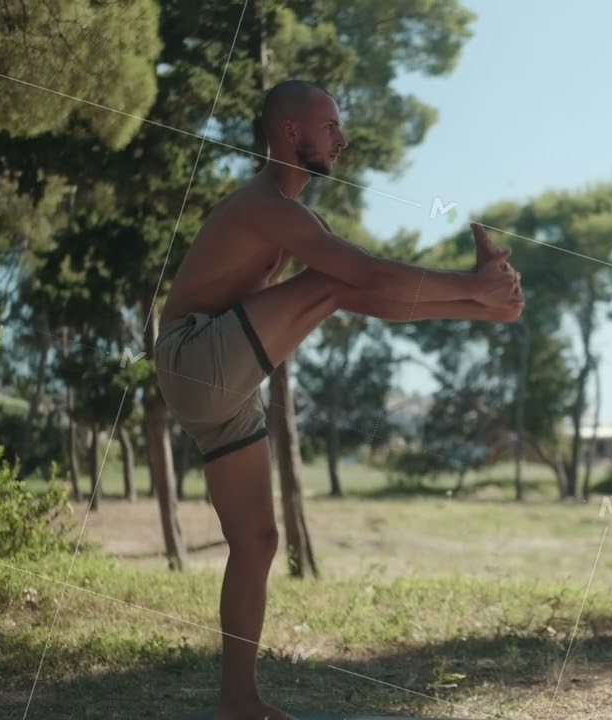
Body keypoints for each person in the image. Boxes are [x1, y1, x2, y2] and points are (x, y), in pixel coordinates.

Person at [154, 79, 524, 720]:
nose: (342, 140)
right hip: (194, 355)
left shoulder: (296, 218)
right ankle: (238, 698)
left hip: (222, 381)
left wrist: (480, 304)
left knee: (258, 540)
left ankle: (238, 702)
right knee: (331, 282)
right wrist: (473, 286)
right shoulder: (264, 206)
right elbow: (367, 276)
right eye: (330, 126)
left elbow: (367, 292)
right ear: (289, 132)